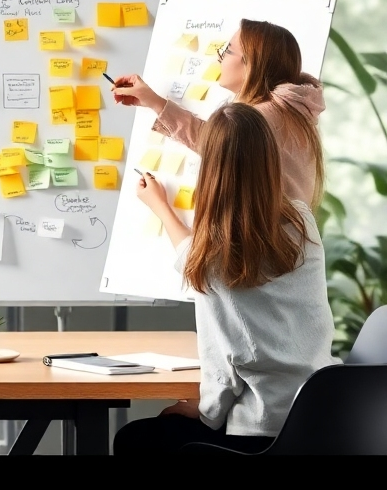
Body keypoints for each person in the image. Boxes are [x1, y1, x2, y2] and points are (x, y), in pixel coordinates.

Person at [113, 102, 336, 454]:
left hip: (263, 430)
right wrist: (163, 208)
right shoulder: (301, 221)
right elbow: (194, 255)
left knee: (134, 438)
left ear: (210, 169)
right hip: (323, 413)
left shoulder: (213, 259)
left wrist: (202, 411)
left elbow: (224, 367)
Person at [111, 19, 325, 208]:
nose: (219, 58)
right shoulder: (285, 112)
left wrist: (160, 206)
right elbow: (219, 141)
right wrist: (154, 101)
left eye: (228, 51)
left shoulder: (257, 120)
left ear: (251, 64)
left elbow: (218, 142)